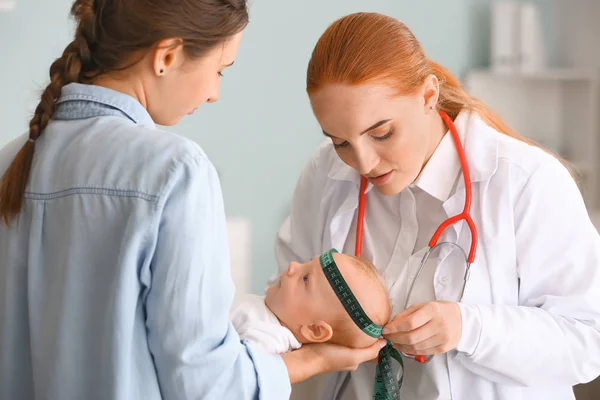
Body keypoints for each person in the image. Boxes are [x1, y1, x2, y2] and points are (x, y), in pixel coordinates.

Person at [0, 2, 385, 399]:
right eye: (220, 70)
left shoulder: (10, 161)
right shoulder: (176, 171)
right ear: (166, 56)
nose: (215, 93)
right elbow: (206, 385)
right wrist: (314, 361)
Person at [273, 12, 600, 400]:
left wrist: (467, 327)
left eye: (381, 133)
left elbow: (588, 340)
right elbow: (285, 302)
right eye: (341, 141)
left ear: (429, 95)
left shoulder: (526, 181)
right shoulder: (325, 172)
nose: (363, 162)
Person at [231, 251, 391, 353]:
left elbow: (232, 378)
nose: (293, 266)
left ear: (314, 329)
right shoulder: (265, 318)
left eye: (306, 278)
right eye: (307, 262)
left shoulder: (267, 338)